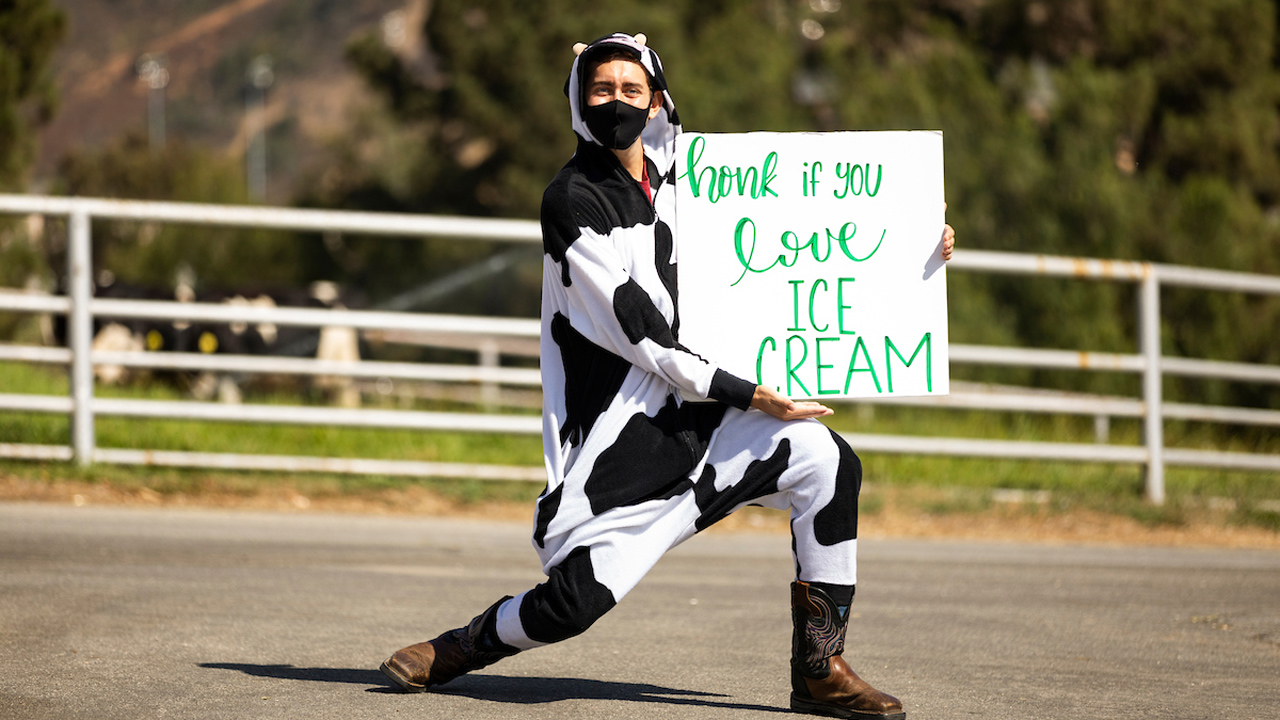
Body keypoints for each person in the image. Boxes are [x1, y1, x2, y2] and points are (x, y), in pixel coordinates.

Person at [380, 32, 956, 719]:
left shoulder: (699, 187)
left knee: (826, 463)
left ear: (656, 100)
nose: (617, 102)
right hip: (628, 441)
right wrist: (750, 393)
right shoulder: (572, 202)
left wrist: (911, 246)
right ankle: (466, 644)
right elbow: (639, 332)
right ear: (577, 100)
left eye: (631, 89)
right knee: (573, 606)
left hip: (706, 418)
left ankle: (819, 667)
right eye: (601, 90)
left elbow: (810, 240)